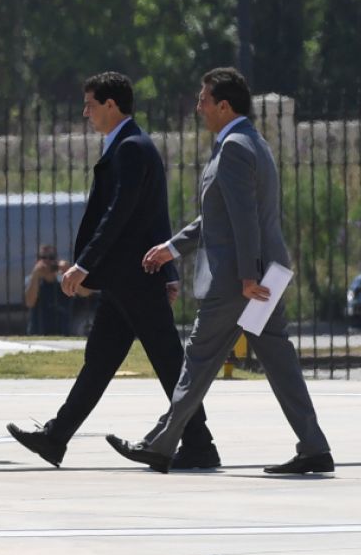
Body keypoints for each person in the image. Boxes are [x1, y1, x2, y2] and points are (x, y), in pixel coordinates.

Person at [108, 68, 333, 475]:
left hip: (239, 281)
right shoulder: (251, 142)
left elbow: (244, 220)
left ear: (223, 106)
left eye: (203, 100)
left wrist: (247, 277)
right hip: (262, 276)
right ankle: (314, 446)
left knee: (198, 359)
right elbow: (220, 216)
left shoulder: (233, 148)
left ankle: (160, 445)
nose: (198, 107)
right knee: (278, 361)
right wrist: (172, 247)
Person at [8, 72, 220, 470]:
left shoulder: (130, 148)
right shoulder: (131, 145)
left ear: (111, 105)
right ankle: (56, 437)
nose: (86, 113)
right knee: (101, 360)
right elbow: (152, 214)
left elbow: (119, 214)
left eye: (91, 104)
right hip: (129, 279)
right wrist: (170, 271)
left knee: (167, 359)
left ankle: (199, 442)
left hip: (135, 278)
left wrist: (85, 265)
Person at [23, 244, 74, 336]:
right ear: (37, 260)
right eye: (43, 257)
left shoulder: (62, 280)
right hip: (38, 333)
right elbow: (30, 302)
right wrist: (35, 274)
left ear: (56, 260)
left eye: (51, 257)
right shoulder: (32, 280)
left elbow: (85, 293)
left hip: (62, 332)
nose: (47, 261)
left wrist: (70, 272)